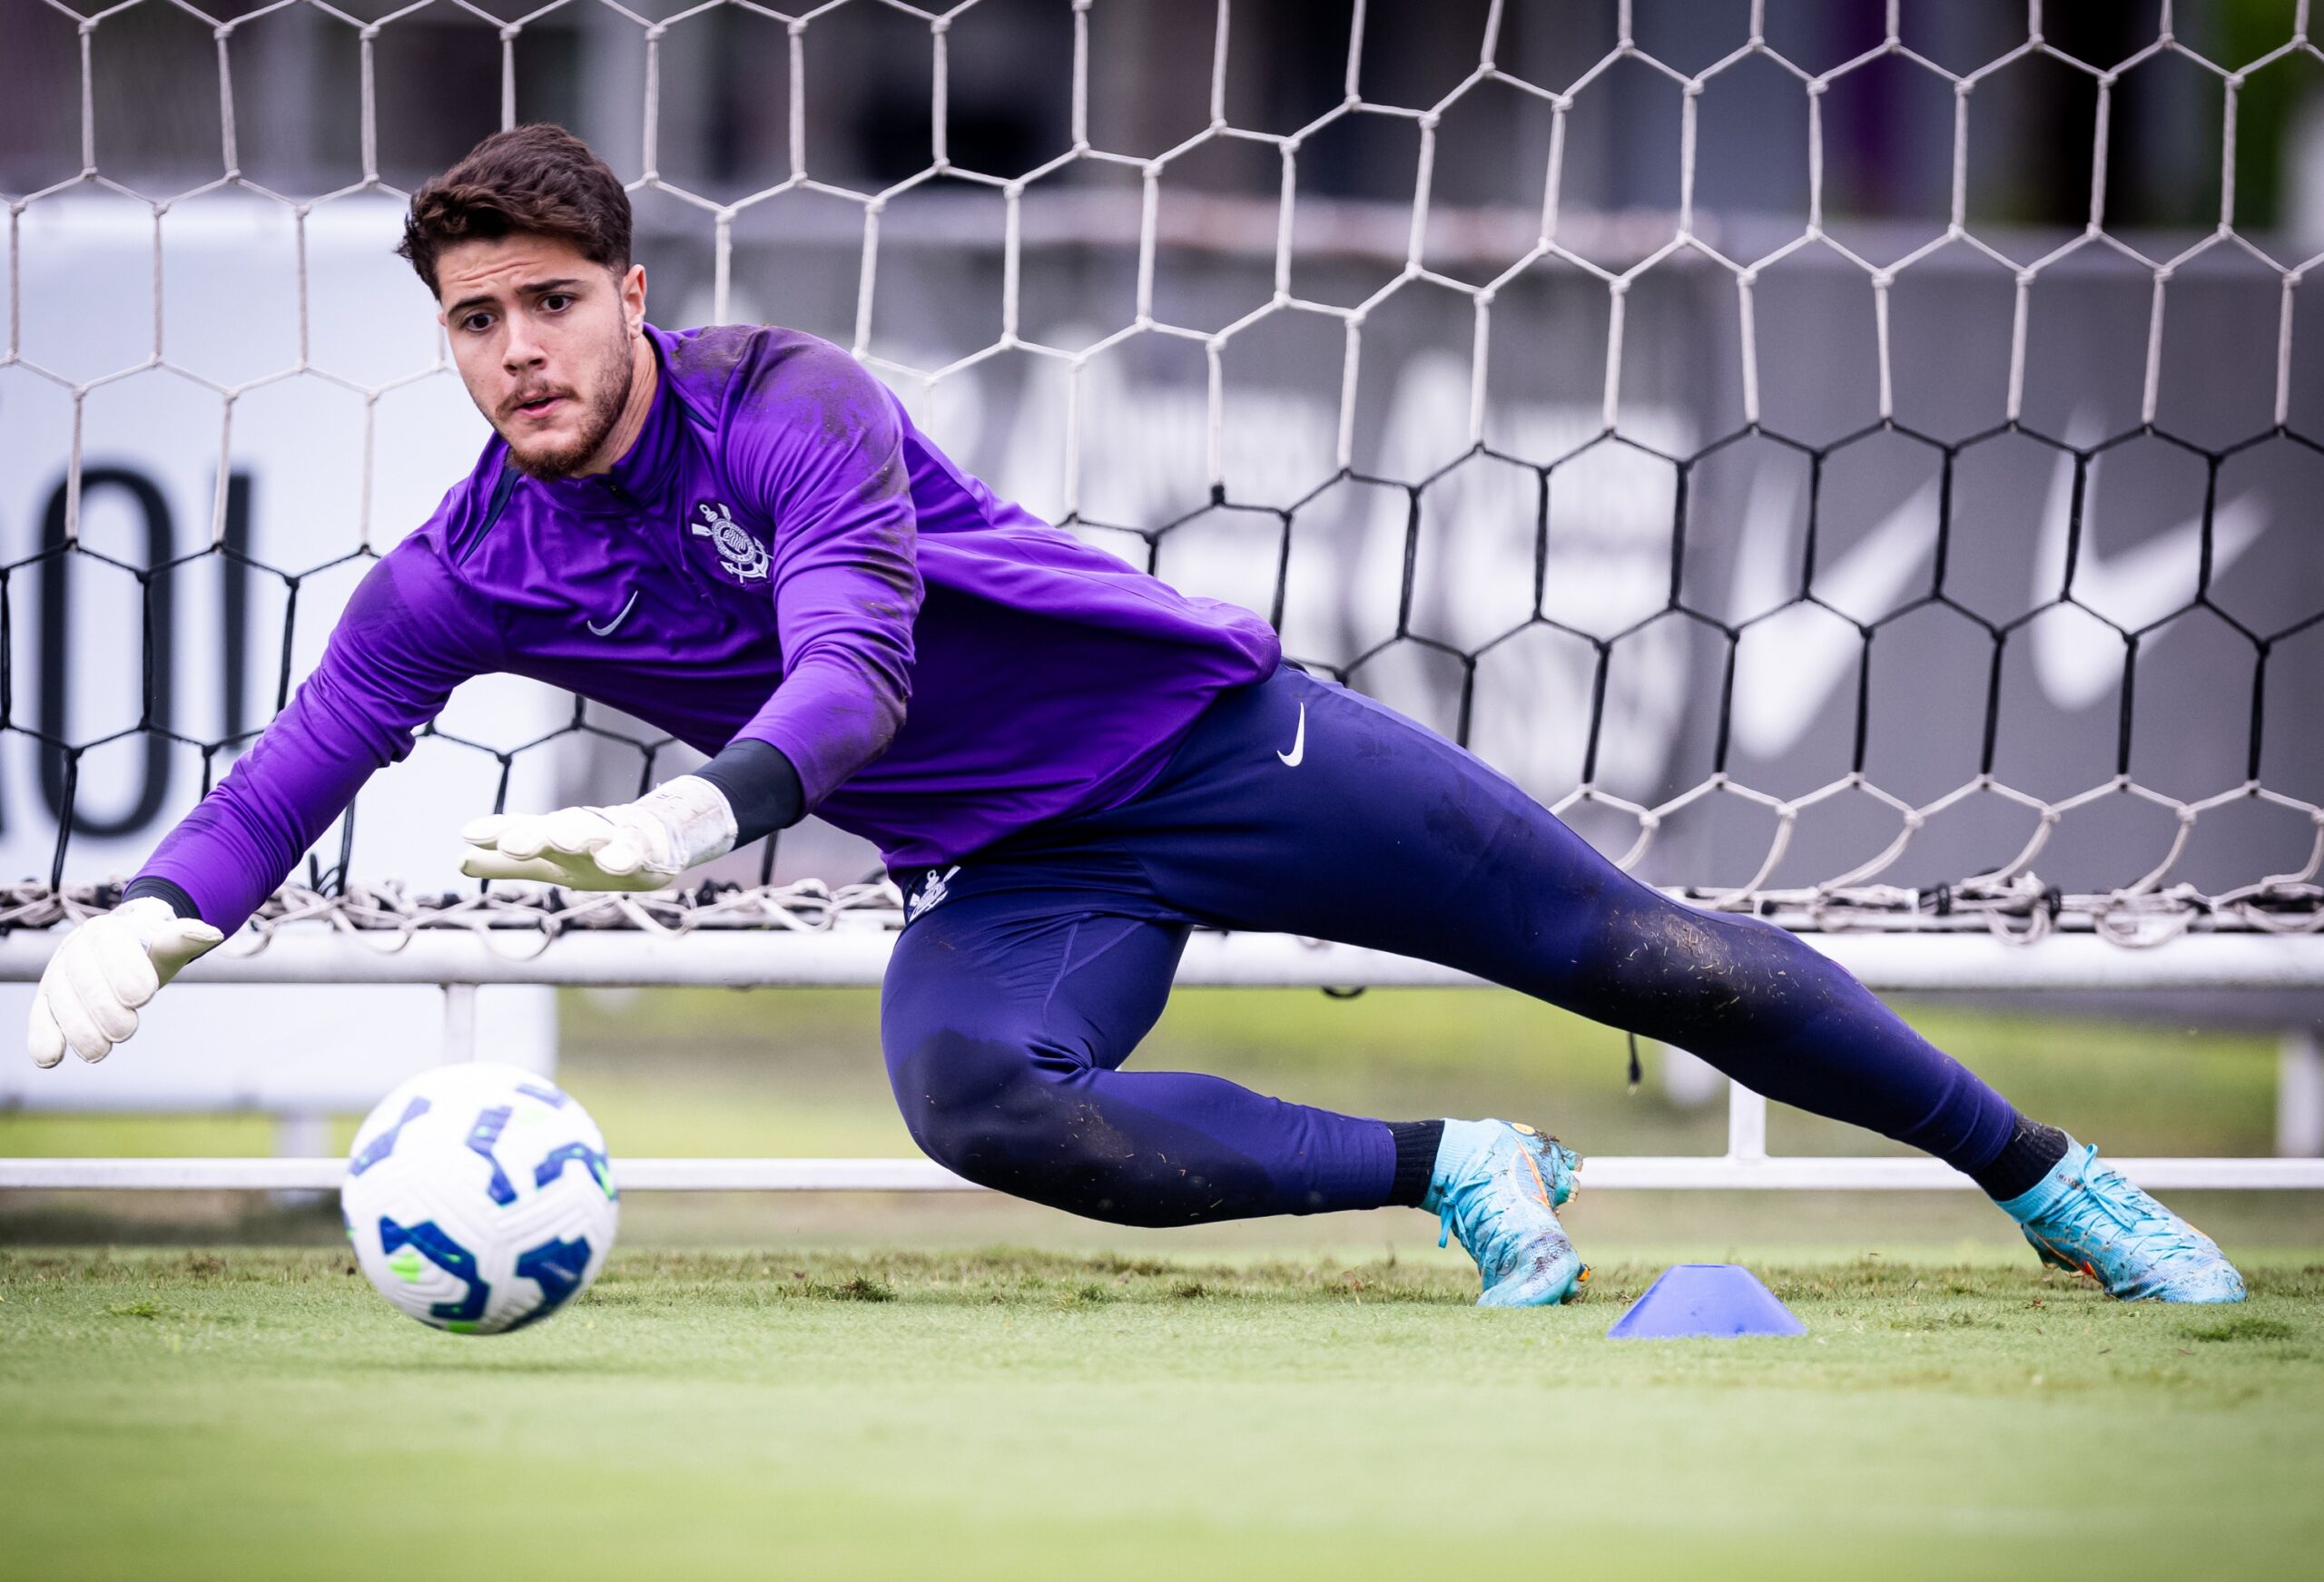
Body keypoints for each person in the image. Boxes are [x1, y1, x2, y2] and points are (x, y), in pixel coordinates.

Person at [25, 124, 2244, 1306]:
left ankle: (2051, 1185)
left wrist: (707, 814)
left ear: (631, 297)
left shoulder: (795, 399)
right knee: (977, 1095)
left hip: (1220, 747)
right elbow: (311, 755)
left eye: (547, 304)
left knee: (1637, 957)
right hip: (1021, 872)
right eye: (471, 320)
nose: (512, 350)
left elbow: (855, 667)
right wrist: (148, 920)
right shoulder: (462, 567)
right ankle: (1457, 1169)